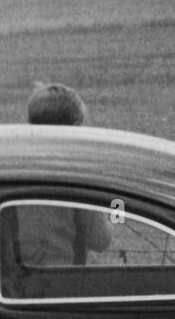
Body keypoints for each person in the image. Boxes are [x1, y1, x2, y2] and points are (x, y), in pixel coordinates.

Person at [15, 83, 111, 267]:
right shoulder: (77, 172)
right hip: (62, 280)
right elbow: (100, 240)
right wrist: (115, 210)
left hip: (13, 277)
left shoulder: (14, 167)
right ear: (74, 129)